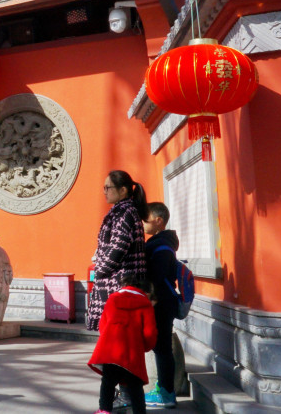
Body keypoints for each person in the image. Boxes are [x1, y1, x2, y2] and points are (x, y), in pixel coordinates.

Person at [87, 170, 148, 332]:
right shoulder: (125, 210)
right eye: (104, 188)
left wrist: (100, 271)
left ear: (123, 190)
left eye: (108, 188)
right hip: (121, 282)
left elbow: (119, 246)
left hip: (118, 283)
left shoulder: (124, 212)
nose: (105, 192)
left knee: (116, 338)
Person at [89, 276, 158, 414]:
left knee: (108, 382)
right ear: (146, 291)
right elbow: (150, 332)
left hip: (110, 349)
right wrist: (144, 347)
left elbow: (103, 325)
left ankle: (104, 410)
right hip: (132, 351)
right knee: (135, 385)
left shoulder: (113, 298)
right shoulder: (145, 304)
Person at [143, 202, 180, 409]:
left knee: (163, 348)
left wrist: (149, 298)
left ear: (158, 221)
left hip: (161, 303)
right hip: (164, 302)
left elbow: (156, 278)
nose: (143, 222)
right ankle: (164, 389)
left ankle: (166, 394)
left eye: (145, 218)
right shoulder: (162, 244)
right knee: (161, 348)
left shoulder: (161, 248)